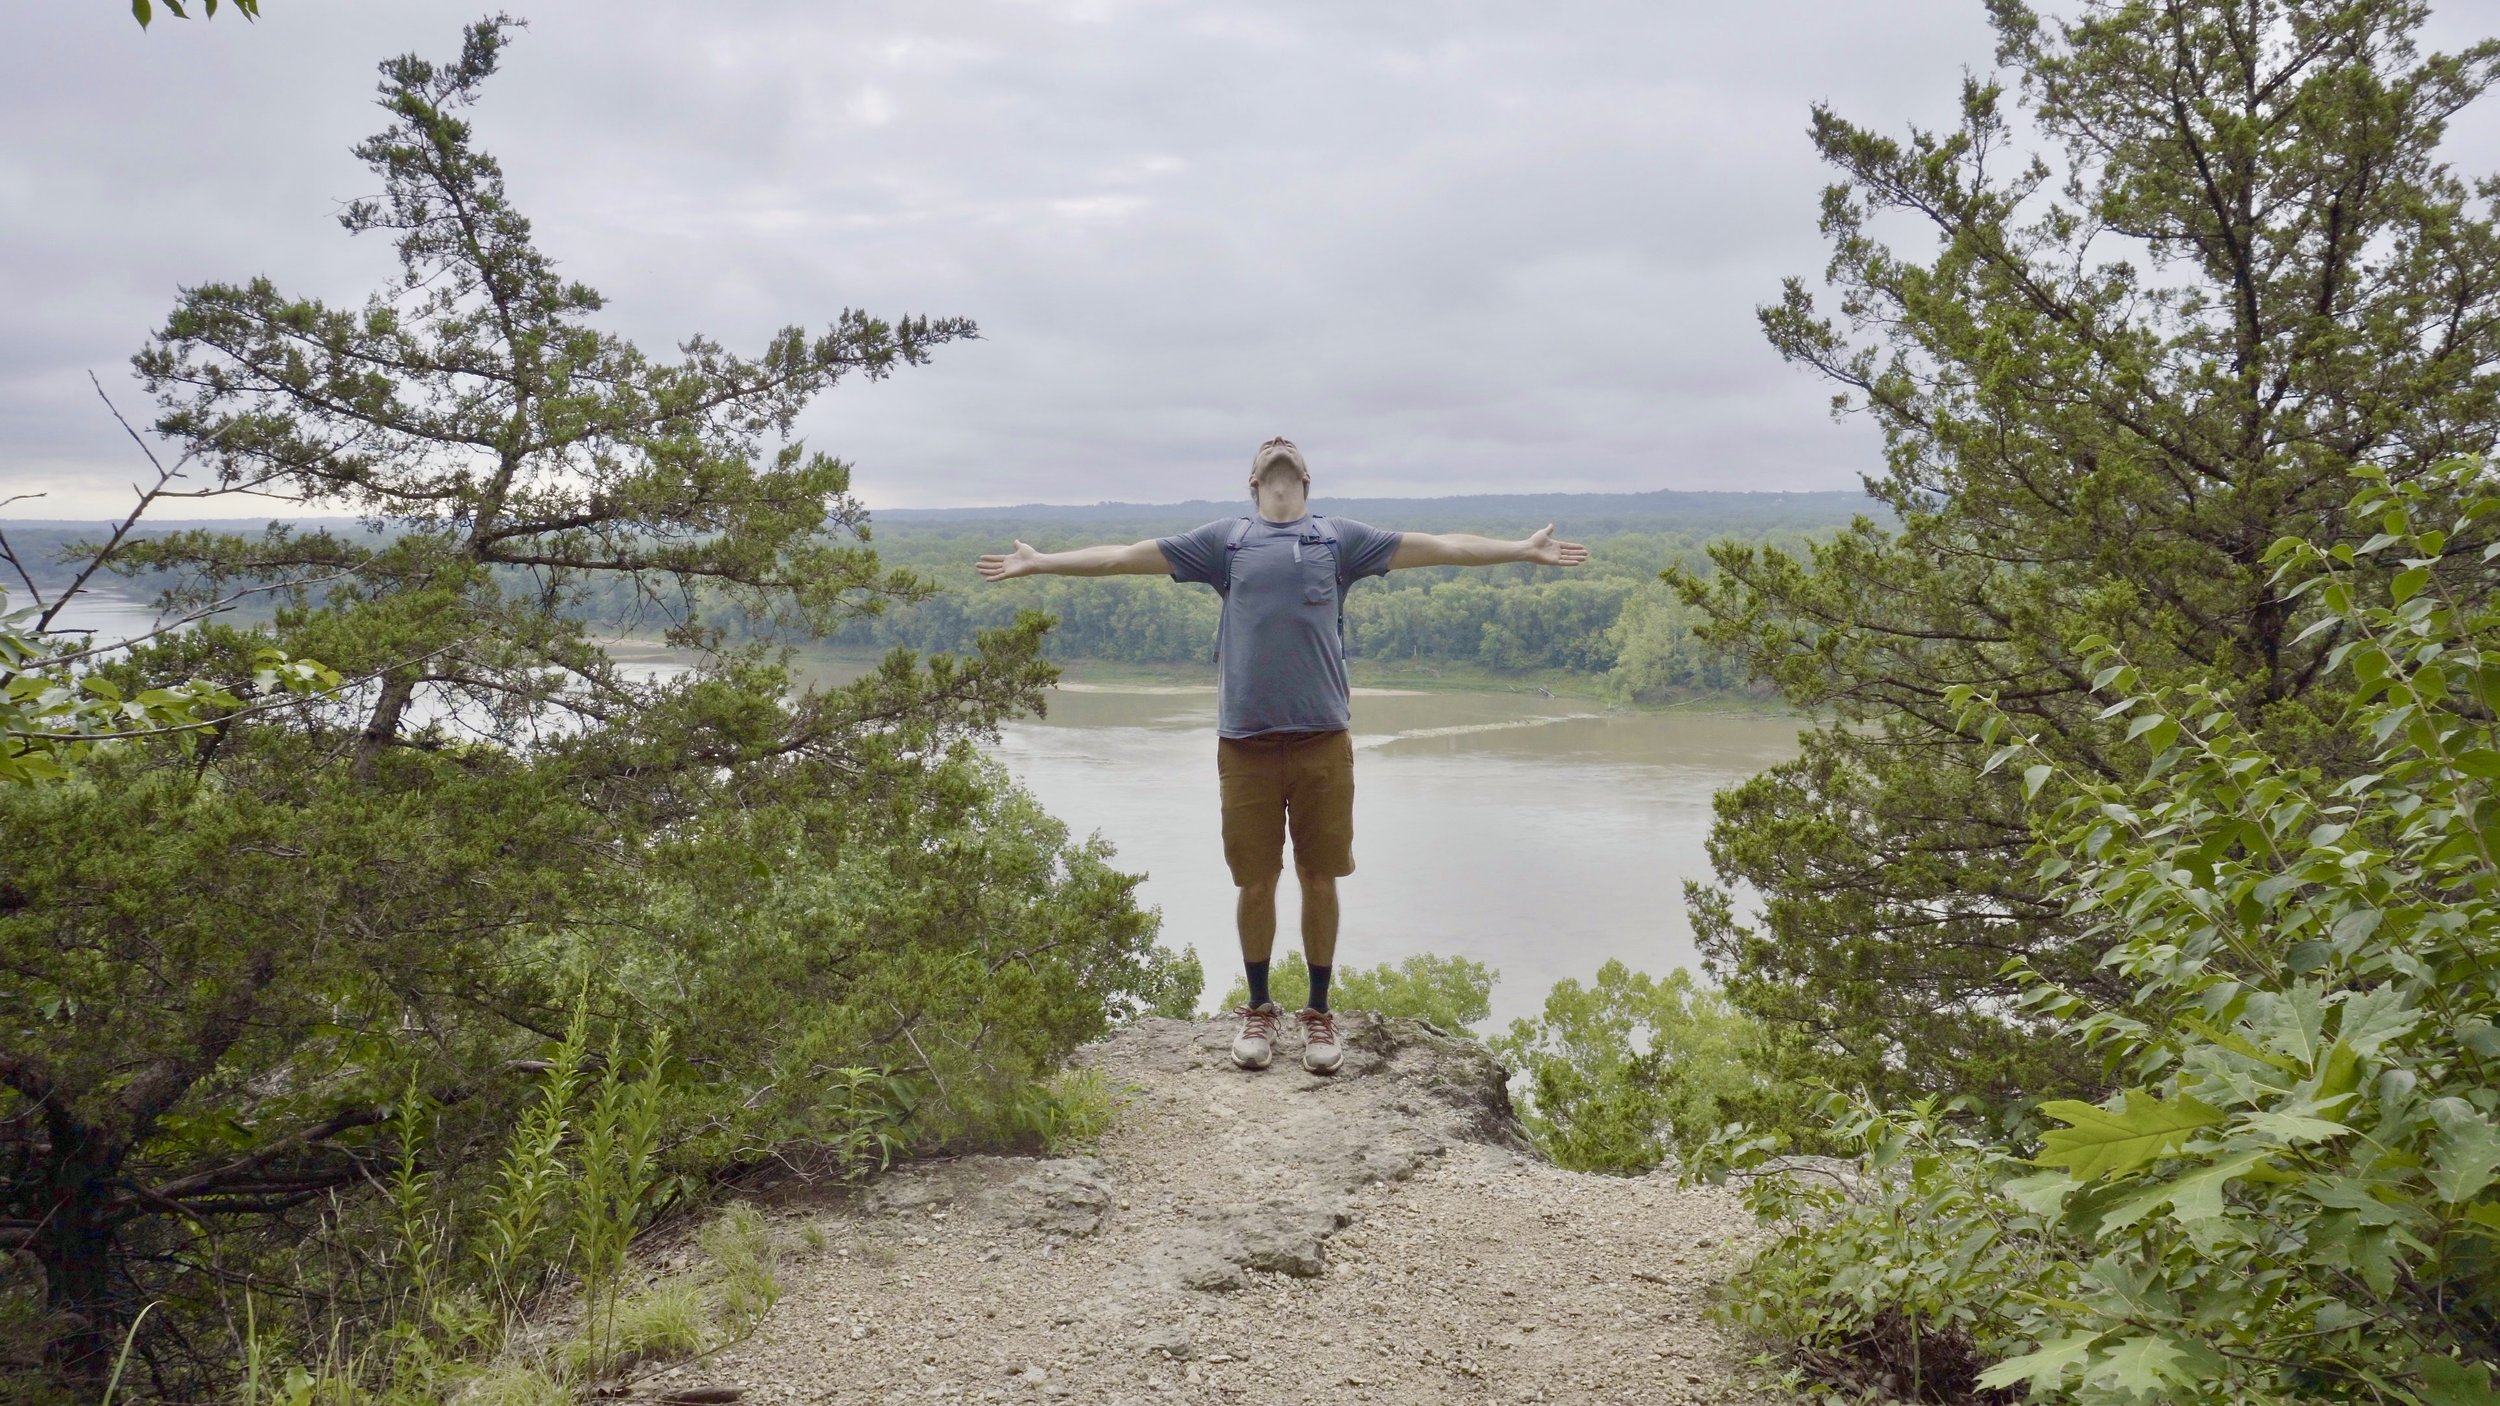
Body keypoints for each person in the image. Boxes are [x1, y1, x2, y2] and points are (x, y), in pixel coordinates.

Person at [976, 437, 1590, 1074]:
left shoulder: (1338, 538)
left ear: (1305, 476)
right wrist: (1042, 562)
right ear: (1253, 479)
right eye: (1268, 450)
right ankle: (1261, 1008)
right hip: (1245, 744)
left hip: (1323, 739)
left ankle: (1319, 1015)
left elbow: (1442, 547)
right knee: (1255, 879)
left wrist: (1520, 549)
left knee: (1319, 876)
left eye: (1287, 448)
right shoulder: (1226, 541)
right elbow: (1124, 558)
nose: (1278, 450)